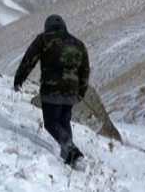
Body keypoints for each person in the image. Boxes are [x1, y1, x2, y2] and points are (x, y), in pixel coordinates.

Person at [13, 14, 90, 166]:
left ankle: (72, 150)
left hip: (51, 88)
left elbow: (29, 60)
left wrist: (19, 78)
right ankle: (68, 157)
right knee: (64, 120)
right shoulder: (77, 43)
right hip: (71, 90)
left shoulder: (43, 39)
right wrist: (81, 91)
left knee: (50, 122)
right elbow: (85, 69)